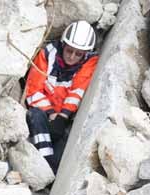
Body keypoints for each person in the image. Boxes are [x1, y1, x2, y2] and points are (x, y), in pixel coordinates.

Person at [25, 20, 99, 174]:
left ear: (85, 53)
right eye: (69, 51)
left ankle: (52, 168)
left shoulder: (90, 61)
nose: (72, 57)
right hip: (46, 114)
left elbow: (78, 90)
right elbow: (33, 90)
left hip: (65, 119)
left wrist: (63, 116)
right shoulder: (47, 54)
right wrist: (52, 113)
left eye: (78, 54)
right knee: (35, 115)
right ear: (63, 45)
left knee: (66, 141)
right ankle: (45, 163)